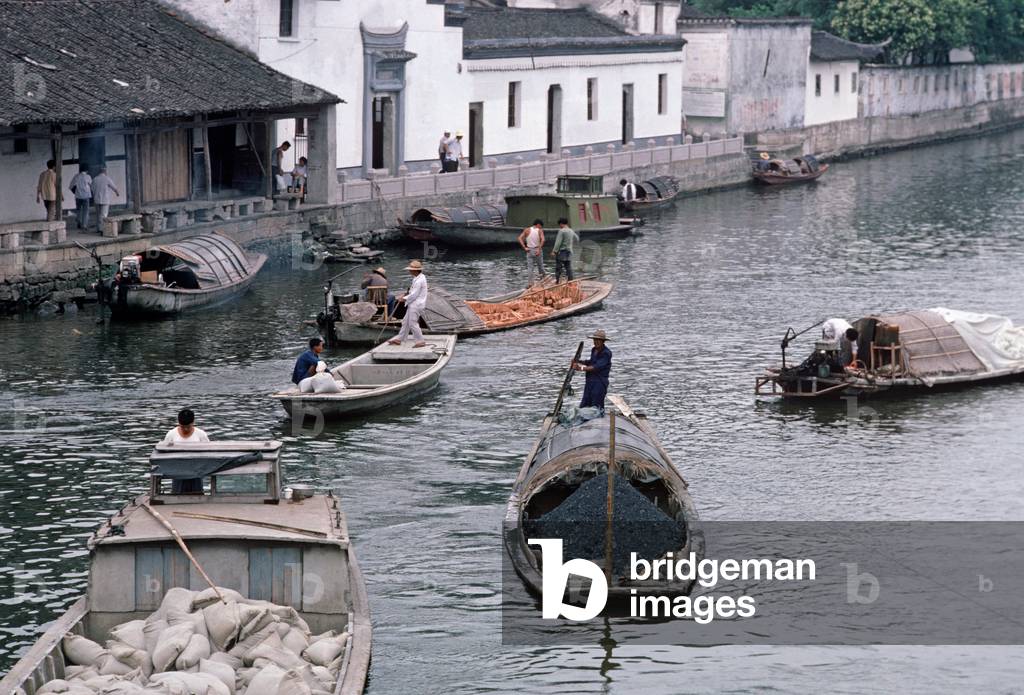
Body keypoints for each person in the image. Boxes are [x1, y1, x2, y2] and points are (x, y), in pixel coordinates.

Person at [388, 260, 428, 348]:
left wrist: (403, 299)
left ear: (415, 270)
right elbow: (412, 291)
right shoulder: (418, 278)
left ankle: (420, 341)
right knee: (405, 322)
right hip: (413, 303)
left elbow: (414, 295)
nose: (409, 271)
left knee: (412, 323)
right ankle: (400, 339)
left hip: (416, 304)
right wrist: (405, 295)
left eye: (410, 270)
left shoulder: (419, 280)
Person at [572, 330, 612, 410]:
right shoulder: (594, 350)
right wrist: (579, 361)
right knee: (584, 405)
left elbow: (596, 367)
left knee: (596, 406)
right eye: (595, 340)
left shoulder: (606, 353)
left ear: (603, 341)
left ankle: (599, 417)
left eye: (598, 340)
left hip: (599, 383)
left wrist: (580, 368)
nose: (596, 342)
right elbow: (591, 362)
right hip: (589, 382)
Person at [550, 217, 579, 284]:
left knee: (558, 267)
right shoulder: (571, 230)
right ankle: (570, 281)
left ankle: (557, 282)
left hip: (562, 252)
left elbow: (558, 242)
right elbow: (577, 239)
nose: (559, 226)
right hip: (569, 251)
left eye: (559, 225)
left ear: (561, 223)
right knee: (568, 267)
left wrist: (554, 251)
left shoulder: (562, 231)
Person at [518, 218, 546, 286]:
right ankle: (543, 280)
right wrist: (539, 249)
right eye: (541, 226)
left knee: (530, 268)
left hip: (529, 250)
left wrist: (524, 247)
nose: (541, 227)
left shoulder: (527, 230)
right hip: (537, 249)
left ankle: (530, 283)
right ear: (538, 224)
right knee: (540, 266)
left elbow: (519, 238)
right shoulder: (540, 230)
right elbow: (543, 240)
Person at [69, 165, 93, 229]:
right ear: (86, 170)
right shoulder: (88, 176)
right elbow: (91, 185)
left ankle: (78, 221)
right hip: (86, 196)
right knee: (86, 211)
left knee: (78, 210)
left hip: (78, 196)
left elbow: (70, 186)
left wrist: (75, 192)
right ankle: (84, 225)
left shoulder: (76, 176)